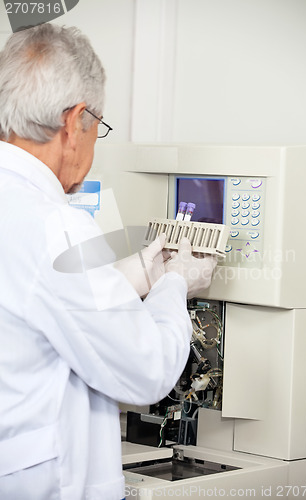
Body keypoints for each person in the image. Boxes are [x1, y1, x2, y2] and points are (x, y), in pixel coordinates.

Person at [0, 24, 217, 500]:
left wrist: (139, 272)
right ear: (75, 121)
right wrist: (175, 284)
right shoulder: (52, 224)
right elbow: (145, 370)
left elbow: (34, 304)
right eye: (98, 128)